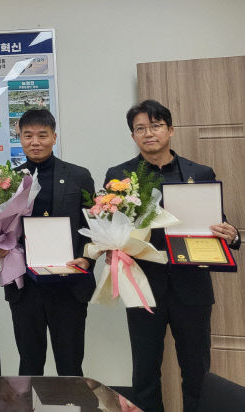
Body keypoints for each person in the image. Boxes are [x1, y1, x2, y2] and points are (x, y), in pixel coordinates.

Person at [106, 99, 240, 412]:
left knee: (197, 372)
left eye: (155, 126)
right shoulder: (119, 176)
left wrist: (231, 235)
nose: (148, 133)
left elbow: (215, 222)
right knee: (145, 373)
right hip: (142, 287)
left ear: (170, 130)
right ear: (133, 136)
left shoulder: (200, 172)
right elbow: (110, 227)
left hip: (192, 288)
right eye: (140, 128)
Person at [0, 109, 96, 376]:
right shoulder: (7, 181)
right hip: (25, 286)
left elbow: (94, 226)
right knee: (30, 363)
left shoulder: (78, 176)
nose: (35, 142)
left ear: (54, 137)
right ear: (20, 138)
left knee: (70, 365)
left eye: (42, 135)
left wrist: (88, 258)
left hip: (69, 282)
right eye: (28, 136)